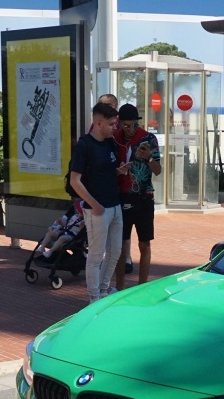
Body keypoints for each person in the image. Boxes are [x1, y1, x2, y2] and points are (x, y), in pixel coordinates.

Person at [68, 102, 123, 303]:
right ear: (98, 123)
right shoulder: (84, 145)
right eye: (111, 124)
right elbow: (75, 180)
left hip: (115, 205)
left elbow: (104, 172)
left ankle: (103, 289)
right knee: (96, 255)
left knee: (115, 252)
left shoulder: (109, 143)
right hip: (97, 210)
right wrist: (94, 205)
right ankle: (94, 297)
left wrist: (119, 171)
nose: (114, 128)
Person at [113, 103, 161, 291]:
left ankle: (142, 287)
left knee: (144, 243)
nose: (129, 129)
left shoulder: (149, 139)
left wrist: (149, 158)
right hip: (122, 197)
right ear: (119, 123)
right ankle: (120, 288)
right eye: (125, 125)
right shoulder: (114, 139)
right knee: (121, 246)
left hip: (144, 198)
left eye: (132, 125)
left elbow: (158, 171)